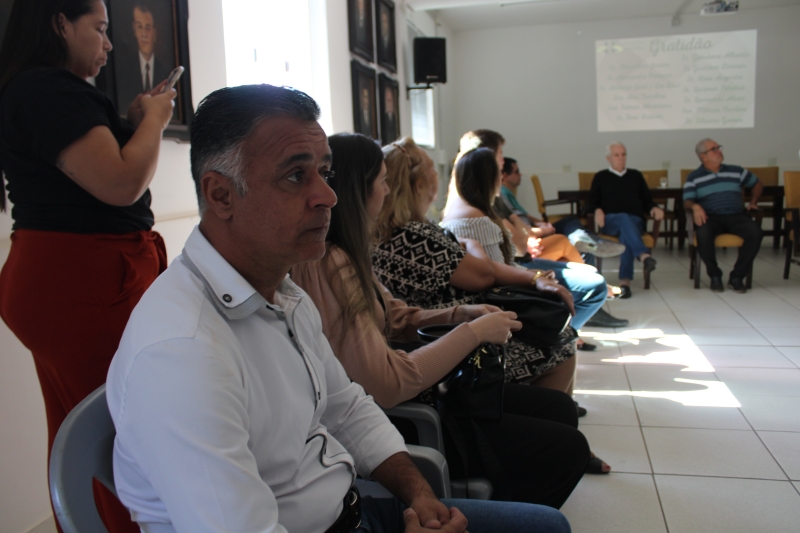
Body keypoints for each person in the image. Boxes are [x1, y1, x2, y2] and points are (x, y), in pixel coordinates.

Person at [106, 84, 572, 533]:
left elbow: (347, 407)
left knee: (548, 525)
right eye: (295, 176)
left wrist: (419, 494)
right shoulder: (182, 352)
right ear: (220, 195)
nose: (327, 196)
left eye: (324, 173)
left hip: (352, 512)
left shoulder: (283, 294)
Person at [292, 133, 592, 506]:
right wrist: (472, 332)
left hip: (416, 397)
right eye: (381, 182)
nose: (386, 191)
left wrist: (461, 314)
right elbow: (387, 384)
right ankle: (509, 510)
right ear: (360, 191)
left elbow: (395, 315)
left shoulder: (350, 251)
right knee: (569, 448)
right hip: (398, 419)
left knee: (559, 409)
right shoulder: (333, 263)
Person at [0, 1, 175, 532]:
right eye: (99, 28)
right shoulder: (48, 89)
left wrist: (131, 125)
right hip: (81, 281)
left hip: (62, 276)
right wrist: (156, 120)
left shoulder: (38, 90)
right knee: (120, 436)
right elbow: (121, 183)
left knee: (81, 429)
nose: (109, 43)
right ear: (60, 23)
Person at [375, 137, 611, 474]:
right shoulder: (414, 235)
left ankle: (546, 433)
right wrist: (477, 250)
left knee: (550, 333)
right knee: (560, 345)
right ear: (418, 185)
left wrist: (526, 276)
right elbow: (483, 275)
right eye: (433, 174)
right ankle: (539, 447)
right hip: (452, 342)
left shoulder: (383, 233)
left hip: (439, 332)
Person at [499, 156, 625, 259]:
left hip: (533, 228)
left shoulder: (507, 193)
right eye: (516, 172)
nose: (520, 175)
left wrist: (539, 222)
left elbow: (523, 215)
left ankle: (586, 241)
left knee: (571, 222)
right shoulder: (502, 195)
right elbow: (518, 224)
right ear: (504, 175)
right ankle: (589, 241)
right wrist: (542, 229)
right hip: (531, 234)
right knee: (571, 224)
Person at [684, 139, 763, 293]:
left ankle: (737, 277)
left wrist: (753, 202)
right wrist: (695, 206)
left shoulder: (736, 171)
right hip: (711, 217)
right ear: (703, 156)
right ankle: (715, 275)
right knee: (703, 234)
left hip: (736, 215)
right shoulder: (694, 176)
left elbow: (757, 183)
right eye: (714, 149)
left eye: (718, 147)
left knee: (756, 233)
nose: (719, 151)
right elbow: (687, 200)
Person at [588, 142, 664, 299]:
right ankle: (643, 256)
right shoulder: (601, 176)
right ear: (609, 158)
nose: (621, 158)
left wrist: (654, 208)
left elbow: (647, 200)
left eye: (623, 154)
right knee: (623, 218)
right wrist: (597, 210)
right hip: (610, 221)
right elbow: (590, 203)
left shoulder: (636, 175)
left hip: (635, 221)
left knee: (626, 233)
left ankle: (625, 284)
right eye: (616, 155)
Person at [116, 3, 172, 117]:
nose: (144, 35)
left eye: (147, 28)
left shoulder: (166, 72)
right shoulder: (123, 72)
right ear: (134, 30)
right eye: (139, 27)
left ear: (154, 33)